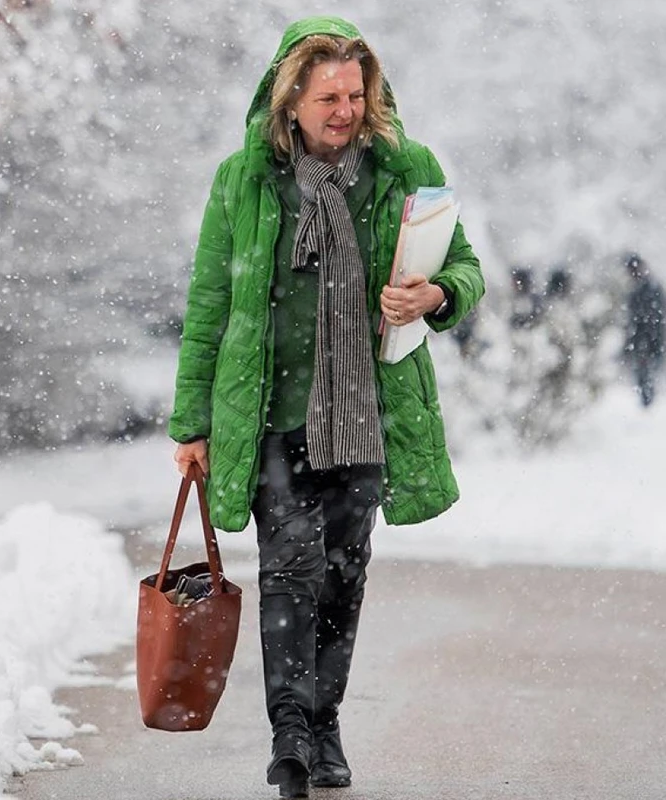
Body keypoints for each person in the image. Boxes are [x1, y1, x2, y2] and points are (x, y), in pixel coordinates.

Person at [168, 17, 485, 799]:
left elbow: (469, 269)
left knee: (343, 575)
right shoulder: (243, 181)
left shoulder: (405, 170)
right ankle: (290, 736)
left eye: (356, 93)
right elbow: (210, 302)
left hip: (367, 414)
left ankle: (326, 720)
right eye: (328, 96)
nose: (345, 109)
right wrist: (192, 425)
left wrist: (433, 292)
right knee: (289, 572)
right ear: (290, 102)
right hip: (272, 416)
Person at [623, 253, 665, 407]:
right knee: (645, 374)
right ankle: (647, 400)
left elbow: (652, 319)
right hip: (645, 340)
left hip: (648, 340)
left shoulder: (648, 288)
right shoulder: (642, 289)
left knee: (646, 374)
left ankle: (648, 401)